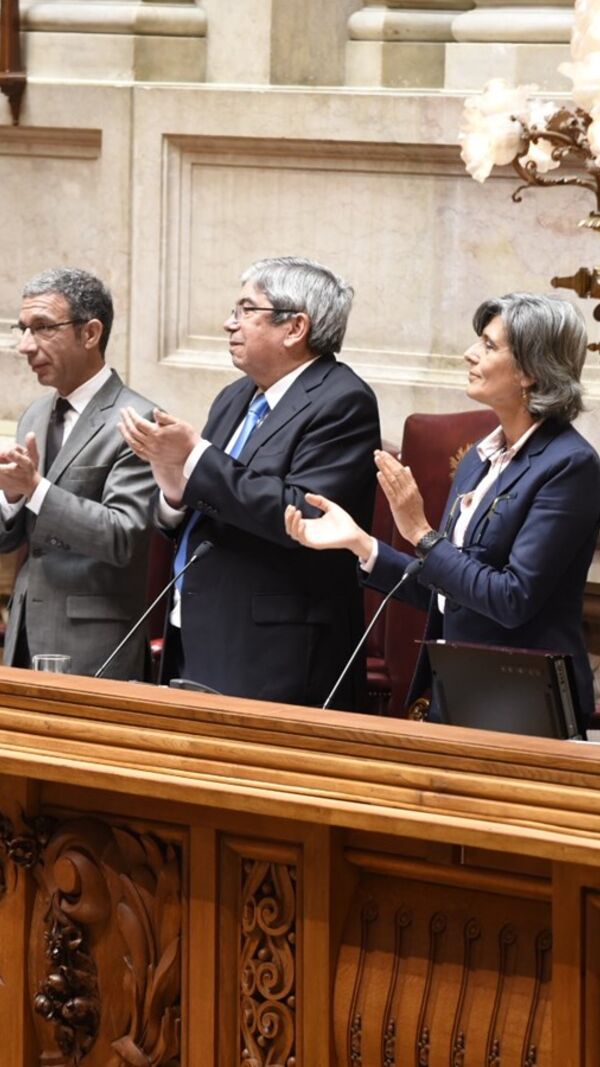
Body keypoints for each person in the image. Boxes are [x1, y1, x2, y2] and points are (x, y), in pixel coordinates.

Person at [285, 292, 600, 726]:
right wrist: (362, 545)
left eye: (489, 346)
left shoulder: (569, 465)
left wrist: (420, 533)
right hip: (456, 691)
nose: (470, 354)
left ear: (530, 369)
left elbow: (511, 599)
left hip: (527, 702)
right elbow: (449, 590)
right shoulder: (478, 459)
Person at [119, 256, 381, 708]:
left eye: (245, 310)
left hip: (277, 652)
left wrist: (196, 455)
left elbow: (306, 514)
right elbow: (212, 504)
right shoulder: (233, 397)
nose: (228, 323)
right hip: (196, 627)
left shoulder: (343, 400)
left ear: (295, 327)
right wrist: (173, 486)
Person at [0, 267, 157, 679]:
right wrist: (12, 497)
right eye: (23, 329)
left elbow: (123, 536)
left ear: (90, 334)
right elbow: (9, 541)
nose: (24, 346)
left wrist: (35, 489)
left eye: (42, 328)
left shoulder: (137, 420)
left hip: (96, 645)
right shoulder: (35, 413)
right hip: (22, 636)